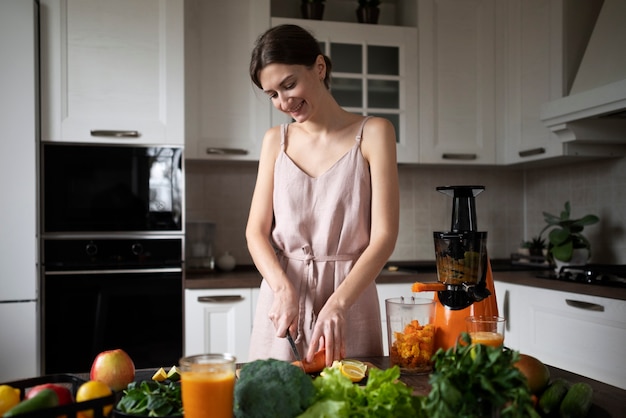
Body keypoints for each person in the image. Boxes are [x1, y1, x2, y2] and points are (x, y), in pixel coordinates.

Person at [245, 24, 399, 367]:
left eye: (289, 84)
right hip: (283, 299)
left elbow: (385, 237)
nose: (284, 102)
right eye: (272, 94)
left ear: (319, 68)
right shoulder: (275, 141)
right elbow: (255, 232)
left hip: (350, 298)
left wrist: (339, 304)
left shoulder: (374, 133)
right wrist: (282, 289)